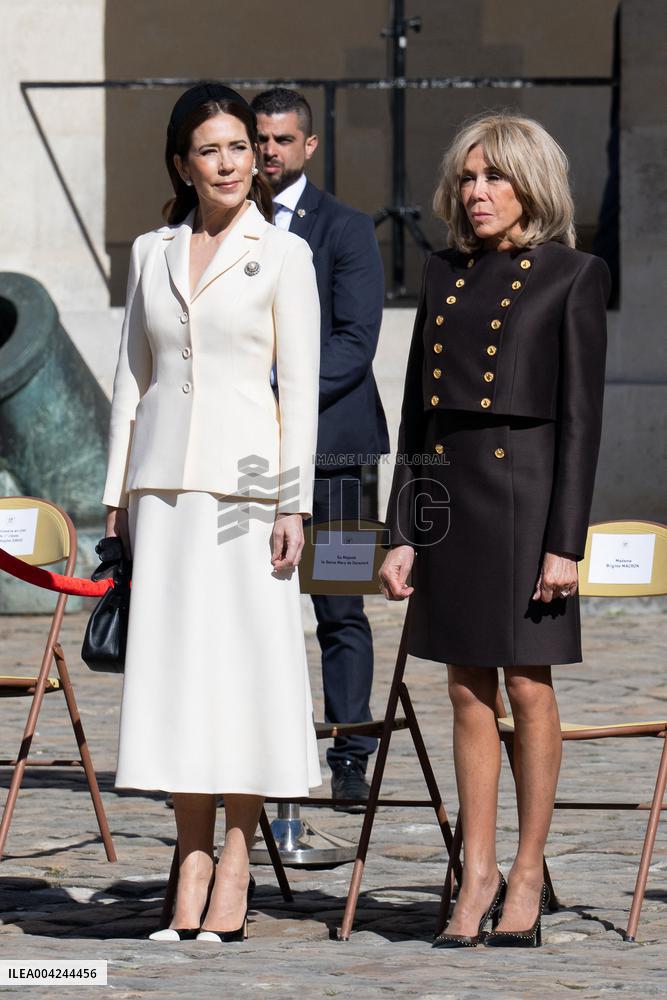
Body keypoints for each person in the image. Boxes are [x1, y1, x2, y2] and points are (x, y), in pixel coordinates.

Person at [379, 113, 609, 948]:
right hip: (453, 495)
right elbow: (418, 414)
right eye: (467, 178)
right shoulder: (442, 271)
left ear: (530, 185)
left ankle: (526, 871)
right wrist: (404, 529)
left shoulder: (573, 275)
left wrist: (565, 542)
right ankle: (474, 872)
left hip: (527, 497)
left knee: (526, 686)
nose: (476, 192)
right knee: (463, 686)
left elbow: (580, 421)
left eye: (494, 177)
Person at [102, 83, 321, 943]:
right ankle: (188, 854)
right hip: (162, 493)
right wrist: (116, 499)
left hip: (248, 496)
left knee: (244, 675)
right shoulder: (150, 252)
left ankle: (235, 856)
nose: (230, 163)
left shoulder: (284, 253)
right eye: (210, 150)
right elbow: (133, 378)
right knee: (177, 679)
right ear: (181, 164)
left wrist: (293, 503)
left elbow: (297, 389)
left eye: (239, 147)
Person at [251, 88, 389, 810]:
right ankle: (253, 750)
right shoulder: (228, 225)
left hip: (335, 452)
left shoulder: (346, 227)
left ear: (308, 145)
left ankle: (350, 753)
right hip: (247, 453)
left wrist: (267, 390)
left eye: (282, 139)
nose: (268, 151)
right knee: (248, 606)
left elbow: (354, 343)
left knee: (339, 608)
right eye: (259, 139)